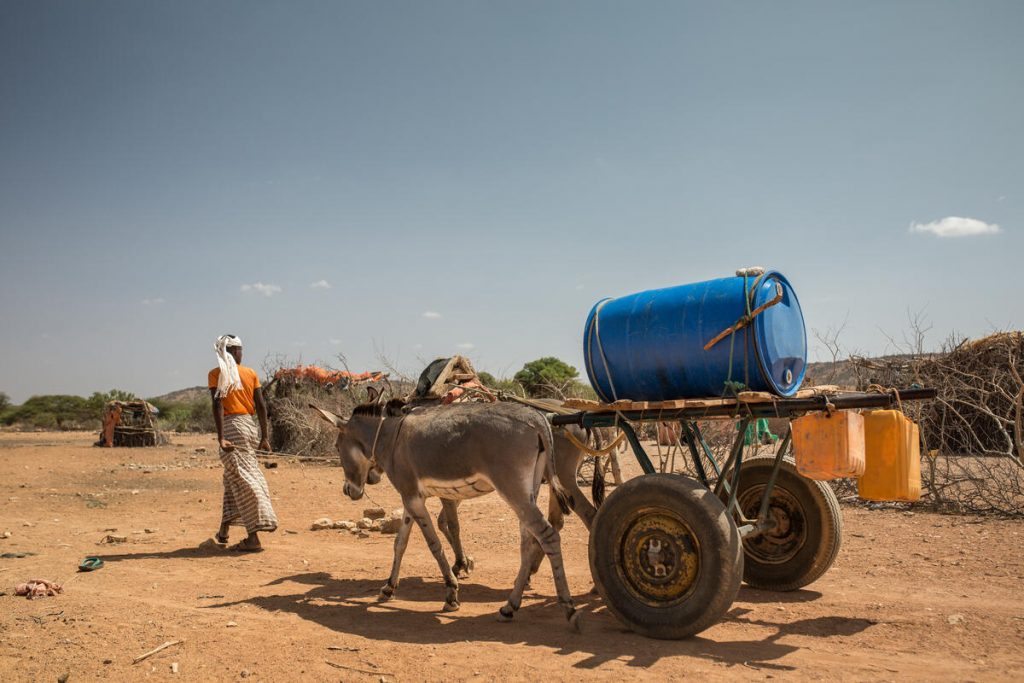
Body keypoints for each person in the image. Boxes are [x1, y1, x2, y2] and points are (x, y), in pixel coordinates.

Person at [208, 334, 277, 551]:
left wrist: (221, 437)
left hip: (231, 427)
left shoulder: (216, 374)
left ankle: (253, 537)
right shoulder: (250, 374)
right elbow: (262, 406)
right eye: (239, 349)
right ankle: (224, 530)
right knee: (232, 478)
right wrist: (264, 436)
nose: (241, 353)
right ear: (233, 352)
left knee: (245, 479)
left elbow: (217, 405)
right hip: (249, 426)